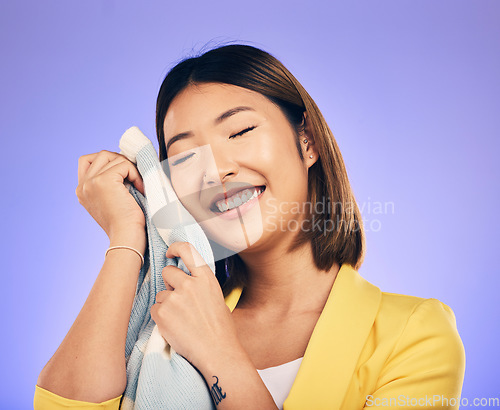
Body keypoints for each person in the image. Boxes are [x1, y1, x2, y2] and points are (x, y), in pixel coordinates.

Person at [34, 44, 466, 409]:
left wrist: (217, 351)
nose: (215, 171)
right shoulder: (168, 315)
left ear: (308, 141)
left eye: (239, 132)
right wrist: (128, 236)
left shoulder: (415, 333)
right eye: (184, 157)